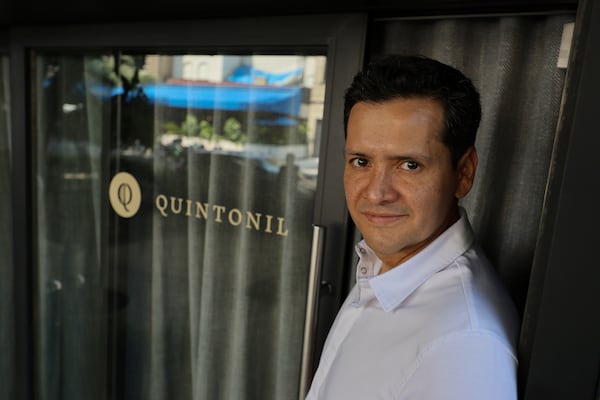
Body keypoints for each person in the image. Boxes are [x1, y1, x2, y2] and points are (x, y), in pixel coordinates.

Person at [305, 54, 520, 399]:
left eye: (409, 165)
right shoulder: (384, 266)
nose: (376, 193)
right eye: (361, 161)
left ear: (463, 173)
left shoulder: (463, 349)